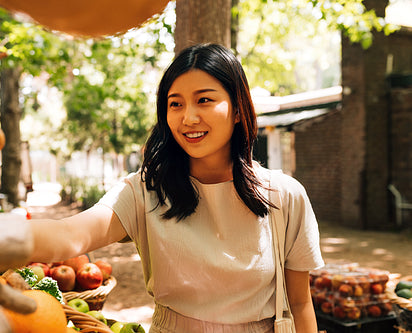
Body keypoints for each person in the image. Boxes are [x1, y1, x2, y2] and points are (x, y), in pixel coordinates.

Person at [30, 43, 325, 333]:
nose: (188, 118)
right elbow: (71, 234)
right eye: (176, 104)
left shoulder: (284, 195)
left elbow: (300, 304)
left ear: (238, 109)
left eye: (204, 100)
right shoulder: (143, 192)